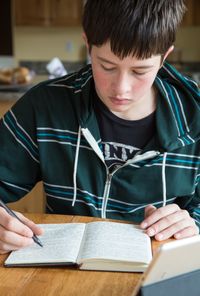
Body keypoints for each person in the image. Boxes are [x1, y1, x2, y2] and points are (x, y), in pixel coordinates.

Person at [0, 0, 199, 254]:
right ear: (88, 46)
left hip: (155, 280)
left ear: (164, 58)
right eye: (107, 66)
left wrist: (193, 223)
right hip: (64, 280)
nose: (121, 89)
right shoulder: (45, 106)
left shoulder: (195, 118)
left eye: (140, 71)